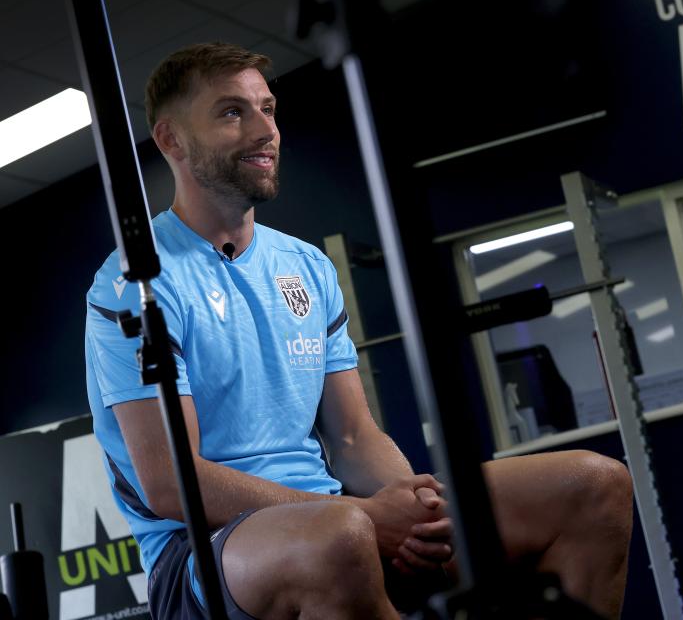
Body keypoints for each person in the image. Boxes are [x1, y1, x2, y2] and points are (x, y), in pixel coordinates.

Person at [85, 42, 633, 620]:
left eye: (268, 109)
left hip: (335, 516)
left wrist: (415, 510)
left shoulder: (306, 267)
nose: (265, 130)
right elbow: (170, 484)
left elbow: (352, 437)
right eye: (231, 112)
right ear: (171, 140)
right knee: (341, 537)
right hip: (203, 553)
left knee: (594, 485)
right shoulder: (135, 285)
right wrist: (368, 517)